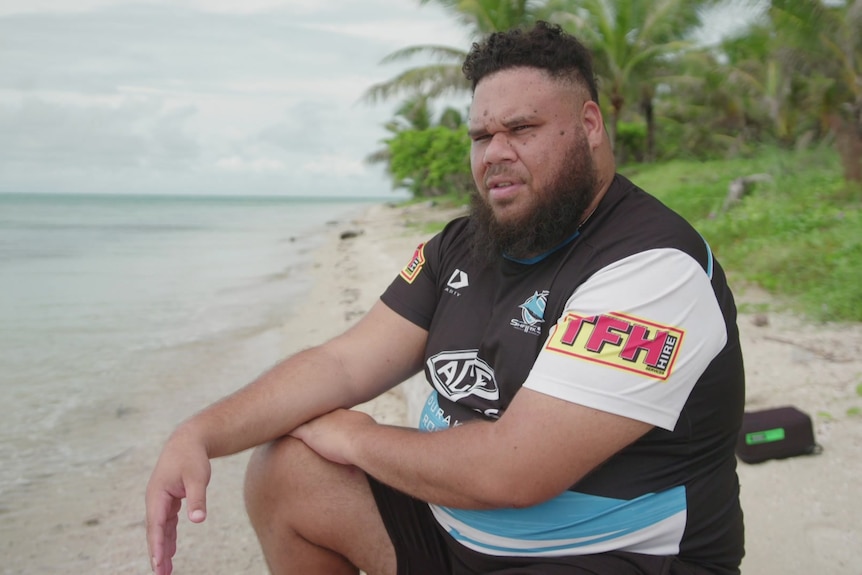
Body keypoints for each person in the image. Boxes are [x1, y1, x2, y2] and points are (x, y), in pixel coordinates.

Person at [146, 21, 745, 575]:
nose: (495, 153)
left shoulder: (652, 267)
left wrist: (354, 436)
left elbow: (513, 471)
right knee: (287, 474)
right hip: (452, 533)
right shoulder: (459, 244)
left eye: (522, 129)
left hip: (608, 555)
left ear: (589, 125)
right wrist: (200, 433)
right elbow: (344, 362)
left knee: (327, 452)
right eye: (482, 135)